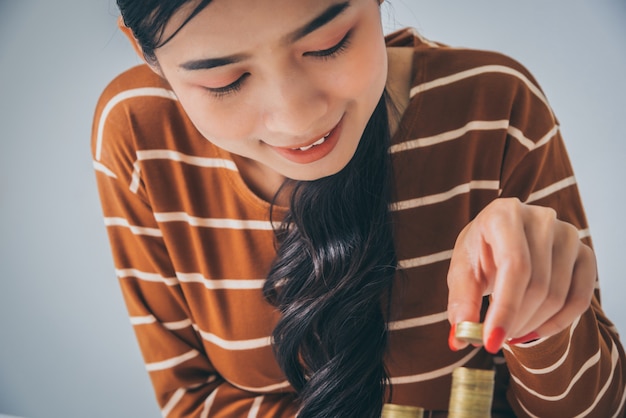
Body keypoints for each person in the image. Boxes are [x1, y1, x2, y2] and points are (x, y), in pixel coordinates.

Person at [90, 0, 626, 416]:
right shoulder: (139, 135)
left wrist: (542, 316)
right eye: (223, 81)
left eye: (329, 43)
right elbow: (192, 401)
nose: (298, 118)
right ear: (145, 53)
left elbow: (599, 409)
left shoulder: (495, 108)